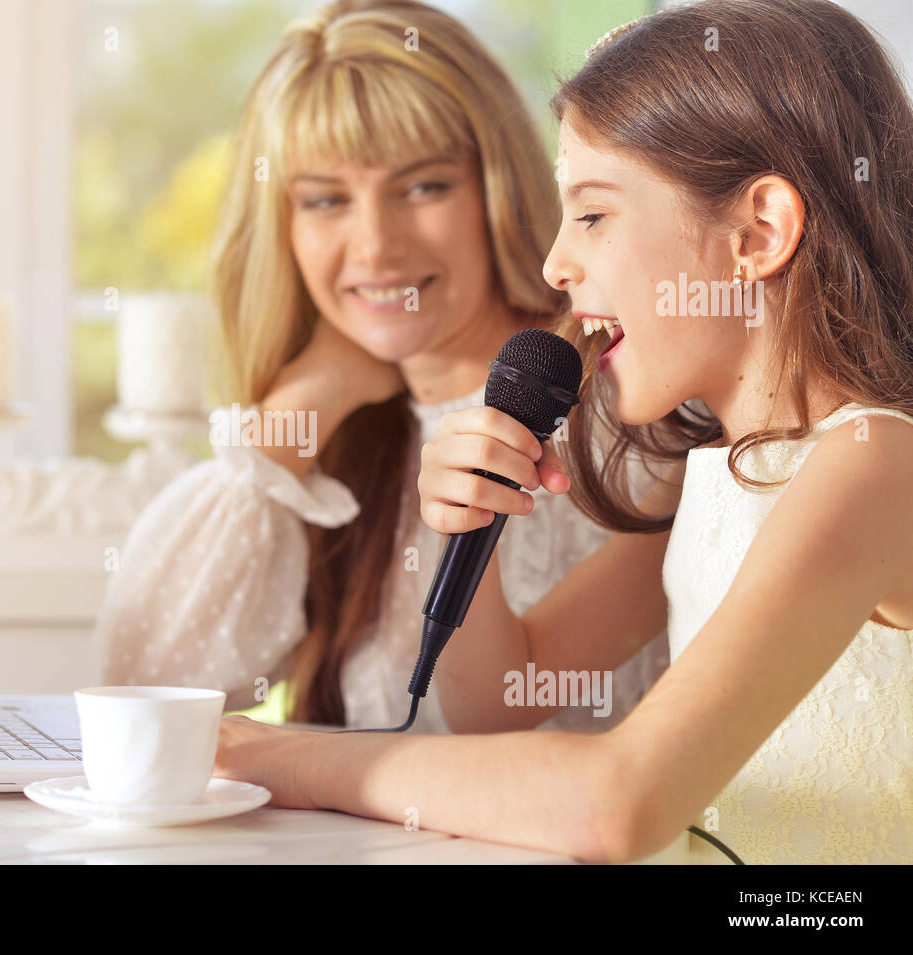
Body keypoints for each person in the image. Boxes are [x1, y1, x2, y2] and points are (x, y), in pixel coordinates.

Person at [213, 0, 913, 865]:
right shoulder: (713, 472)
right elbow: (502, 698)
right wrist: (470, 531)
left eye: (591, 215)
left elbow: (617, 802)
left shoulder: (872, 463)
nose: (554, 263)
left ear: (757, 232)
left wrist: (284, 755)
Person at [95, 0, 668, 734]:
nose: (374, 245)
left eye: (423, 186)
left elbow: (512, 730)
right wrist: (309, 397)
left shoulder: (633, 403)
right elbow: (144, 701)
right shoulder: (338, 453)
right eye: (327, 200)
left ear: (496, 187)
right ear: (283, 231)